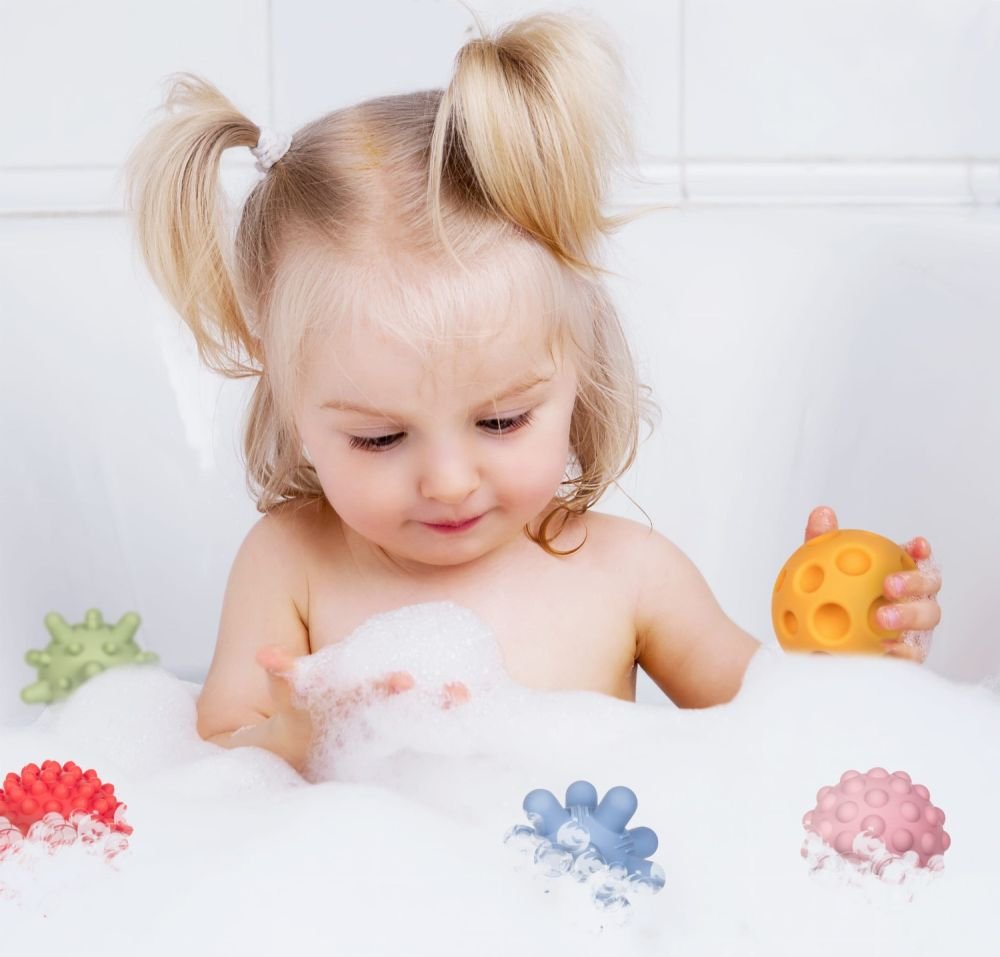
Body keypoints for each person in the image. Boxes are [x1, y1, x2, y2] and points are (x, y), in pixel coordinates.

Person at [125, 12, 941, 774]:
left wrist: (861, 662)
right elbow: (214, 766)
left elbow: (775, 741)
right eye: (380, 437)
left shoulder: (632, 576)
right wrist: (289, 739)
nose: (449, 480)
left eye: (502, 420)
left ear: (577, 371)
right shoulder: (290, 564)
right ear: (288, 398)